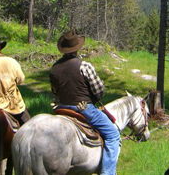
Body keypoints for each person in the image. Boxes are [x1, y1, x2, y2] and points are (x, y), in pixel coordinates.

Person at [49, 30, 121, 175]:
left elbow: (55, 92)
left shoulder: (54, 69)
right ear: (78, 48)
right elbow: (99, 90)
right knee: (113, 135)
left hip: (62, 108)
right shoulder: (84, 66)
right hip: (83, 109)